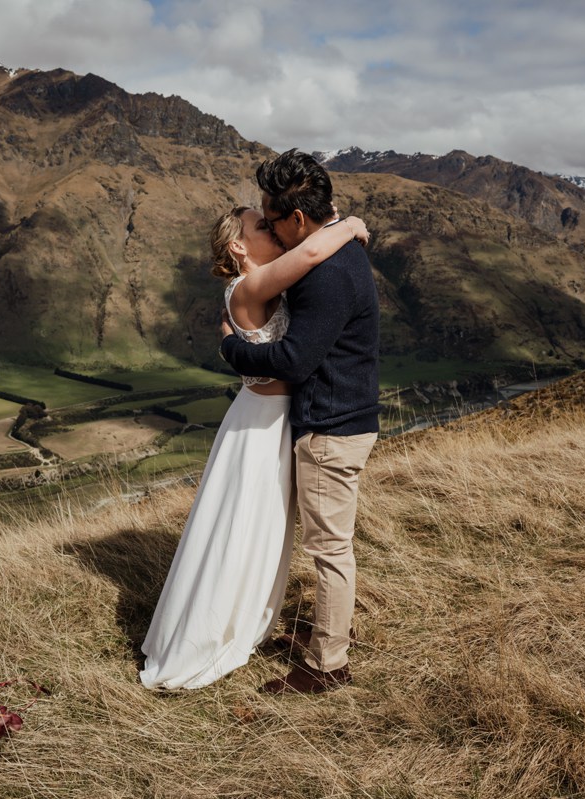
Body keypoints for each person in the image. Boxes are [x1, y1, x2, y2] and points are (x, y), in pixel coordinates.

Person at [138, 205, 370, 691]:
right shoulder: (247, 288)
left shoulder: (271, 284)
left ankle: (246, 622)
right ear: (238, 247)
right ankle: (213, 633)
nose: (274, 228)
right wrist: (347, 225)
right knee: (241, 531)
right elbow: (310, 249)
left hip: (277, 422)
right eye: (262, 226)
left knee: (265, 535)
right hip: (260, 429)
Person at [221, 149, 381, 695]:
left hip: (331, 427)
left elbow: (292, 361)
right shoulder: (341, 248)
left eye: (272, 219)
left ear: (298, 219)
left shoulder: (326, 274)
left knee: (330, 547)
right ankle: (328, 635)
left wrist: (233, 352)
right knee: (329, 541)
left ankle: (326, 666)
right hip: (344, 416)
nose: (271, 228)